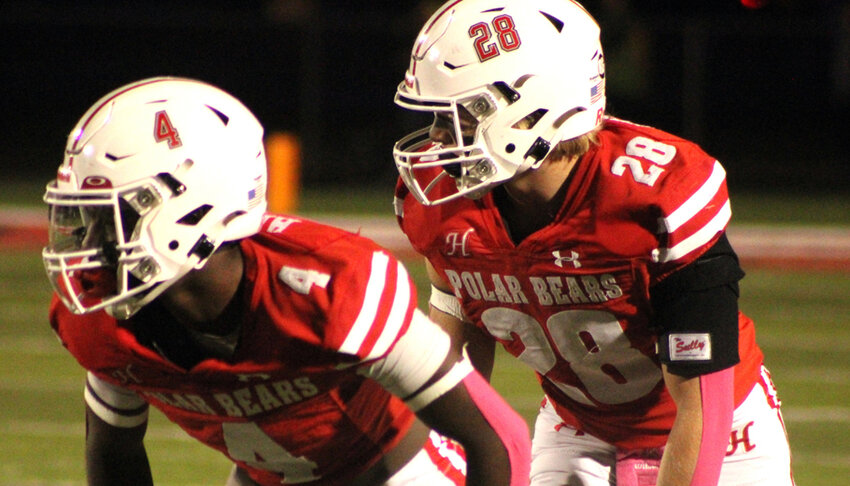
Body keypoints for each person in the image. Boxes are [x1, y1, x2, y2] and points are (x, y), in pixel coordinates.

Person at [43, 76, 531, 486]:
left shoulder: (328, 286)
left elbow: (498, 437)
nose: (92, 243)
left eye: (112, 218)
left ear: (193, 209)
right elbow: (115, 454)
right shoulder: (104, 318)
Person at [391, 1, 794, 485]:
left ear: (528, 110)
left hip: (725, 429)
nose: (437, 140)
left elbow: (702, 402)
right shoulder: (446, 208)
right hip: (577, 427)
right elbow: (457, 374)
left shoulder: (654, 195)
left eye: (457, 117)